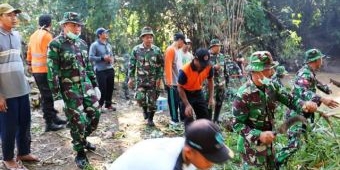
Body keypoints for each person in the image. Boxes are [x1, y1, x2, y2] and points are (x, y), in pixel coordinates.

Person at [232, 51, 318, 169]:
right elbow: (236, 124)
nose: (272, 72)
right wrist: (259, 135)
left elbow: (290, 100)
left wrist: (304, 104)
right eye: (268, 69)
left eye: (272, 68)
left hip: (269, 146)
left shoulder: (271, 86)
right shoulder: (244, 94)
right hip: (251, 150)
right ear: (256, 72)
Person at [47, 12, 101, 169]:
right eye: (73, 25)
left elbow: (89, 67)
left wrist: (95, 85)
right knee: (77, 122)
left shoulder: (83, 44)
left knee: (95, 114)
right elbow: (52, 72)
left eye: (79, 26)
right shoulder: (55, 44)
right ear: (64, 26)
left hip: (86, 86)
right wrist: (56, 96)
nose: (77, 28)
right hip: (69, 89)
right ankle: (80, 152)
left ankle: (82, 139)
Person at [276, 49, 339, 166]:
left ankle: (308, 162)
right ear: (315, 60)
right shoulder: (305, 73)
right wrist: (322, 99)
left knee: (309, 138)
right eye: (321, 59)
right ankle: (275, 163)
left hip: (305, 113)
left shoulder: (309, 72)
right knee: (293, 145)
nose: (322, 61)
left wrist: (328, 88)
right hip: (297, 114)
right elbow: (302, 91)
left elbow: (316, 84)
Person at [0, 3, 39, 169]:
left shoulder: (17, 35)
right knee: (8, 126)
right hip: (6, 91)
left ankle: (23, 152)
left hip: (22, 88)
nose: (14, 18)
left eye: (15, 15)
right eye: (9, 15)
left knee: (25, 122)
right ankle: (8, 158)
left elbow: (19, 61)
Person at [108, 119, 234, 170]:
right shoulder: (164, 164)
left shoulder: (186, 149)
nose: (212, 164)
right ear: (189, 152)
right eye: (209, 159)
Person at [26, 14, 67, 132]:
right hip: (45, 71)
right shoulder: (48, 36)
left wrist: (29, 64)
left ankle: (54, 118)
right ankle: (49, 123)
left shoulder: (33, 35)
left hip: (36, 71)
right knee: (48, 97)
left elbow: (29, 53)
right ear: (50, 23)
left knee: (46, 96)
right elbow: (53, 54)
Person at [128, 26, 163, 126]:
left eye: (151, 37)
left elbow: (161, 65)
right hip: (140, 80)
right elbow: (132, 64)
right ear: (142, 38)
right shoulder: (136, 50)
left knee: (152, 102)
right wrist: (131, 78)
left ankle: (150, 119)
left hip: (153, 80)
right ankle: (144, 110)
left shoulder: (156, 50)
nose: (149, 39)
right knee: (140, 98)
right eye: (147, 37)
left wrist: (159, 78)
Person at [178, 48, 214, 127]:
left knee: (204, 117)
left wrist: (211, 97)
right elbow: (180, 88)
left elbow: (210, 80)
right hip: (186, 93)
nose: (204, 66)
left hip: (198, 92)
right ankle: (189, 138)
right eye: (202, 63)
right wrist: (187, 105)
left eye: (205, 63)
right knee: (188, 118)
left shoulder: (208, 66)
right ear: (195, 60)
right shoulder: (185, 71)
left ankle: (202, 136)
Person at [89, 27, 116, 112]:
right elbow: (90, 58)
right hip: (100, 70)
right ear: (99, 35)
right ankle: (100, 106)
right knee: (102, 89)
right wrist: (102, 58)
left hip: (110, 69)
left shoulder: (108, 45)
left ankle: (108, 105)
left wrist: (112, 59)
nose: (107, 34)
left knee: (110, 88)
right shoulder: (94, 45)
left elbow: (111, 55)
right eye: (105, 33)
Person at [164, 33, 186, 125]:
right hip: (173, 82)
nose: (183, 45)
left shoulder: (178, 51)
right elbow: (168, 65)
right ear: (180, 40)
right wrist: (168, 81)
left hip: (179, 81)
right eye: (183, 42)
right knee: (173, 102)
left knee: (180, 101)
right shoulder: (170, 50)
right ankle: (174, 119)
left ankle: (181, 118)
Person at [206, 39, 226, 123]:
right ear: (212, 47)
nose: (219, 48)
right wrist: (213, 67)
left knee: (219, 101)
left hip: (221, 83)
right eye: (217, 46)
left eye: (219, 46)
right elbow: (203, 68)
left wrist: (226, 81)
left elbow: (225, 69)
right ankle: (209, 120)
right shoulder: (206, 56)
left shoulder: (222, 56)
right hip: (211, 83)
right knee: (210, 101)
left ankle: (216, 118)